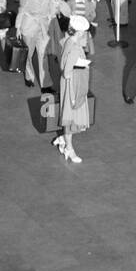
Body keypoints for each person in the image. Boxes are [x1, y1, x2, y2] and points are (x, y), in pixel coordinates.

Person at [54, 14, 93, 164]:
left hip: (68, 85)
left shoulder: (68, 41)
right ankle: (69, 148)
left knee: (70, 117)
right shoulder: (76, 48)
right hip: (72, 86)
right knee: (71, 118)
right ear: (80, 32)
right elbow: (68, 71)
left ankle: (64, 140)